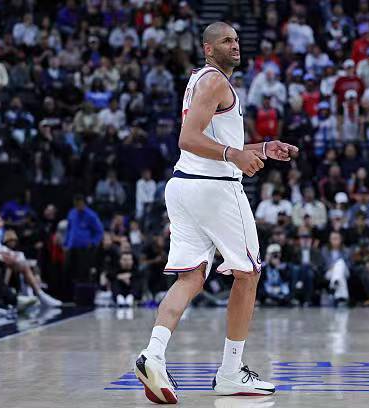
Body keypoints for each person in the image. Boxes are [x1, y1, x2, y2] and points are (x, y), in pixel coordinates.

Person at [133, 22, 298, 404]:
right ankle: (231, 372)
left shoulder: (202, 81)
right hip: (214, 189)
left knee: (191, 277)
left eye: (237, 39)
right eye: (226, 40)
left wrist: (261, 147)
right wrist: (234, 155)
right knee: (248, 273)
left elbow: (213, 141)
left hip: (185, 186)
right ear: (208, 48)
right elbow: (188, 138)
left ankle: (152, 354)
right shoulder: (214, 82)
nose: (235, 45)